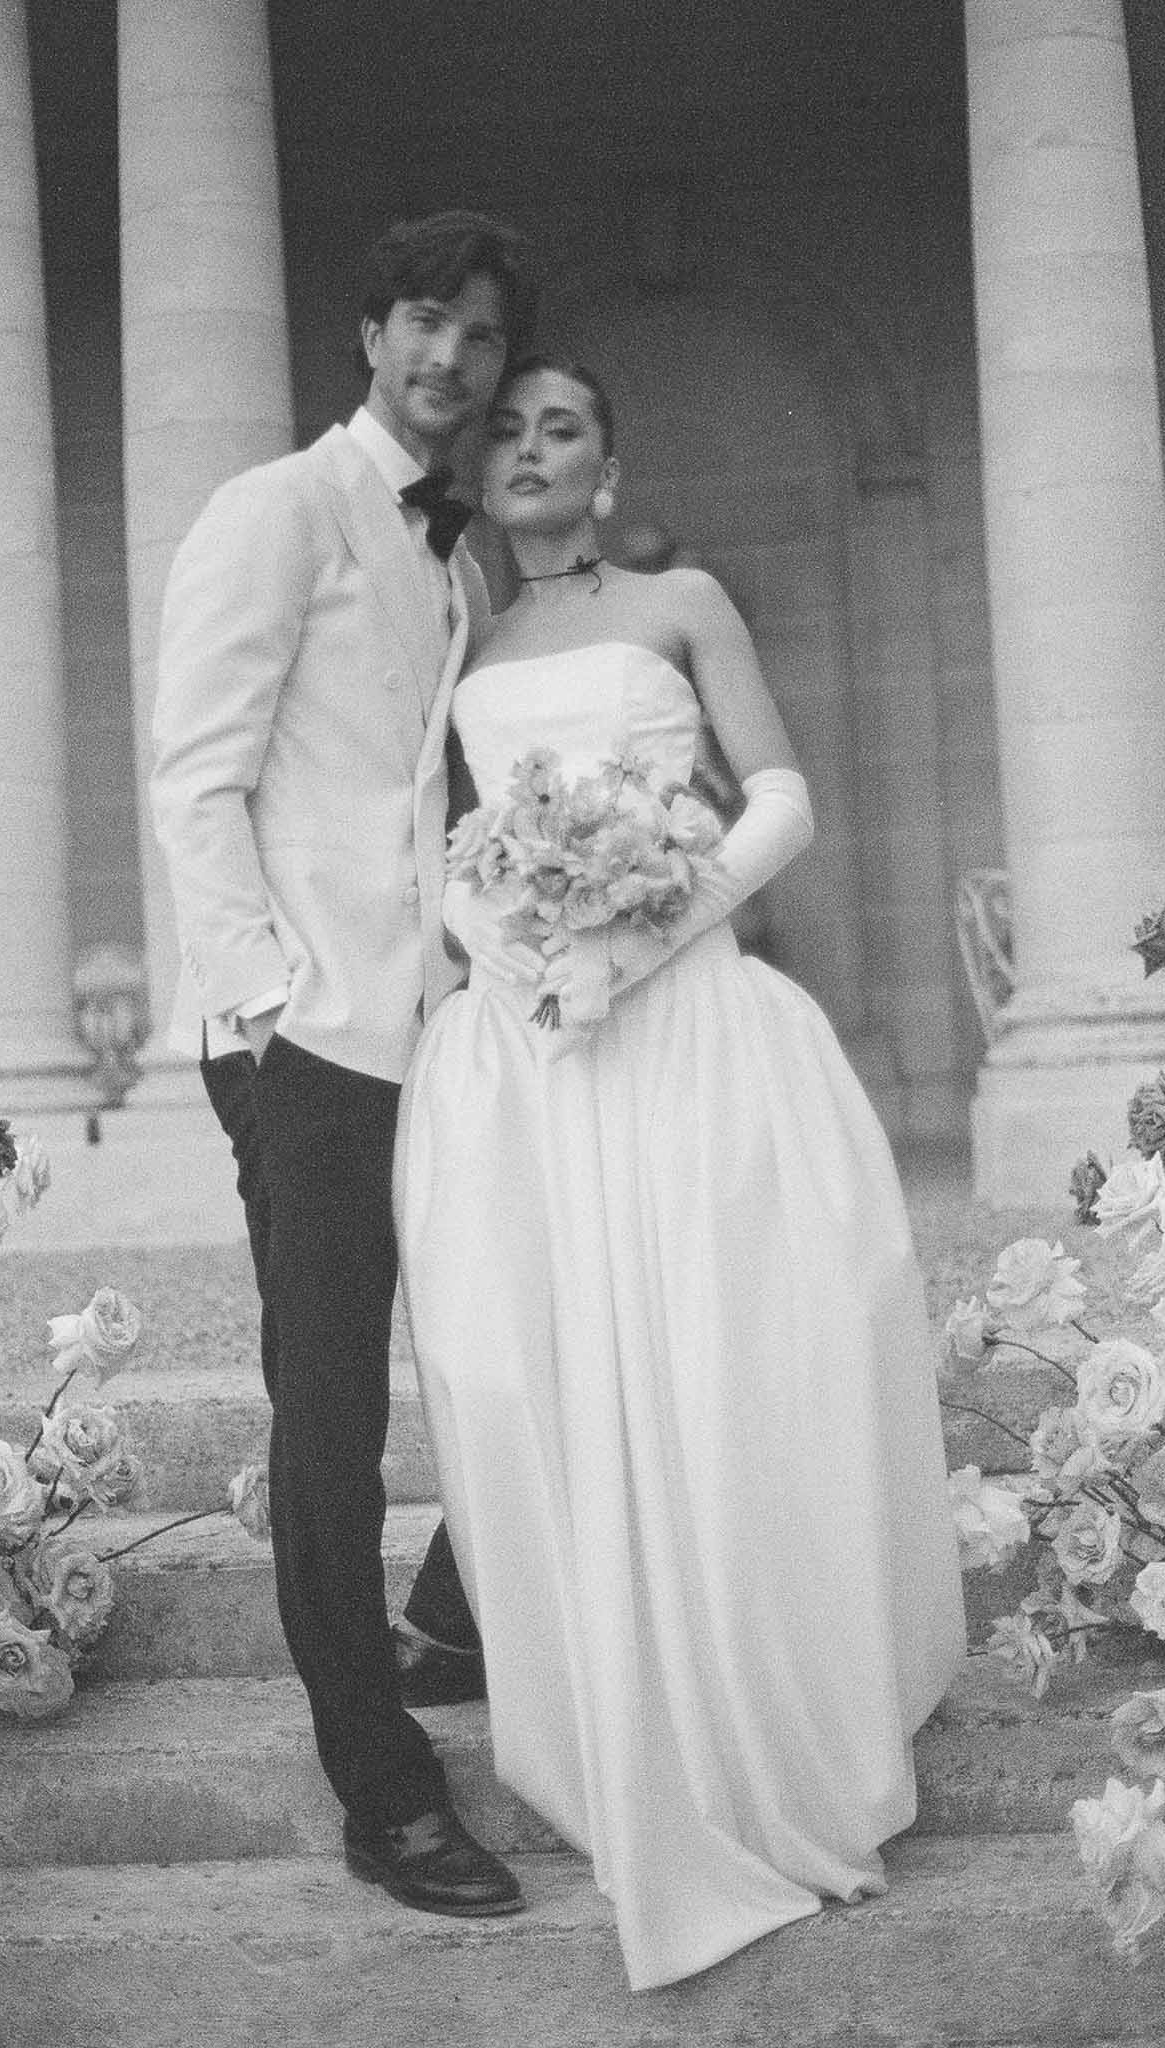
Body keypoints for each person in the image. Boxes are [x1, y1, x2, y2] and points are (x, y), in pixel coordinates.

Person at [393, 357, 966, 1986]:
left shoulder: (680, 599)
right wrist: (508, 938)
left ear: (608, 458)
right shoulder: (461, 646)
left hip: (683, 1027)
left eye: (556, 427)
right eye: (501, 430)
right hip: (534, 1055)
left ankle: (764, 1713)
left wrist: (648, 925)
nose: (525, 450)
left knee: (727, 1363)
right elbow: (435, 843)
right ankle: (620, 1720)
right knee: (552, 1378)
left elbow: (779, 799)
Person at [150, 211, 543, 1919]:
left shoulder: (464, 562)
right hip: (306, 1038)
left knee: (524, 1324)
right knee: (329, 1415)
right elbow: (196, 774)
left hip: (439, 1031)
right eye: (425, 324)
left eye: (478, 334)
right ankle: (379, 1791)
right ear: (369, 330)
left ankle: (451, 1618)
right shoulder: (278, 507)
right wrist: (259, 1006)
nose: (450, 358)